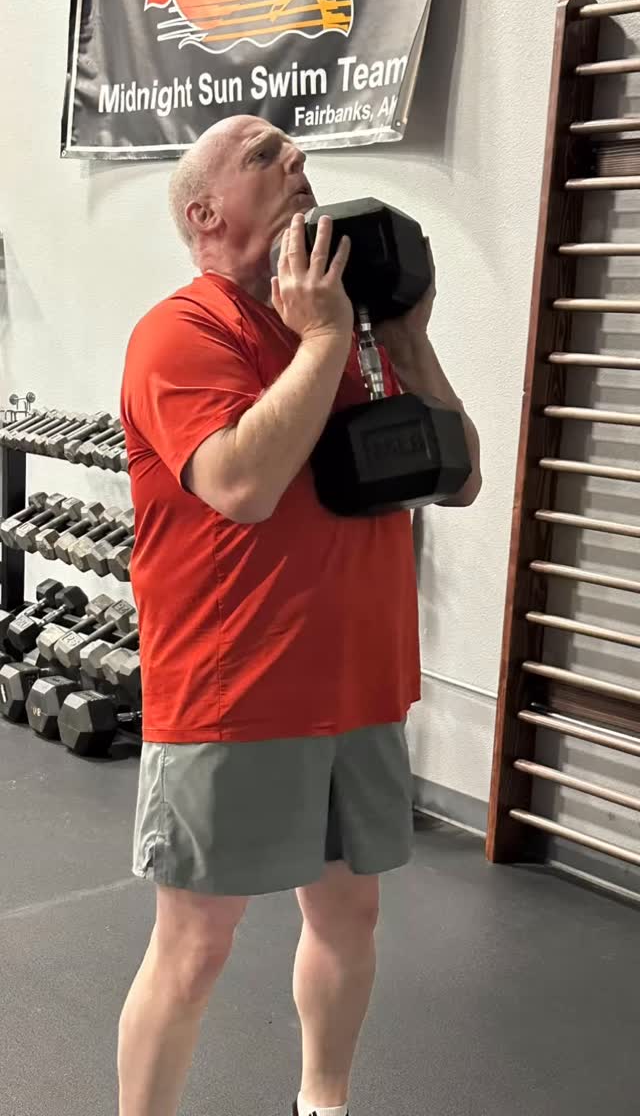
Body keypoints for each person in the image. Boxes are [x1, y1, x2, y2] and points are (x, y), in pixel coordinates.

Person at [119, 113, 482, 1116]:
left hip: (356, 681)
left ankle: (322, 1101)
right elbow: (239, 482)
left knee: (349, 912)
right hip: (235, 690)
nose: (298, 162)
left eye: (299, 151)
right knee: (195, 943)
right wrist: (324, 336)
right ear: (205, 211)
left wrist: (402, 336)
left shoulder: (350, 333)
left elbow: (459, 477)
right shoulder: (180, 333)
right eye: (265, 153)